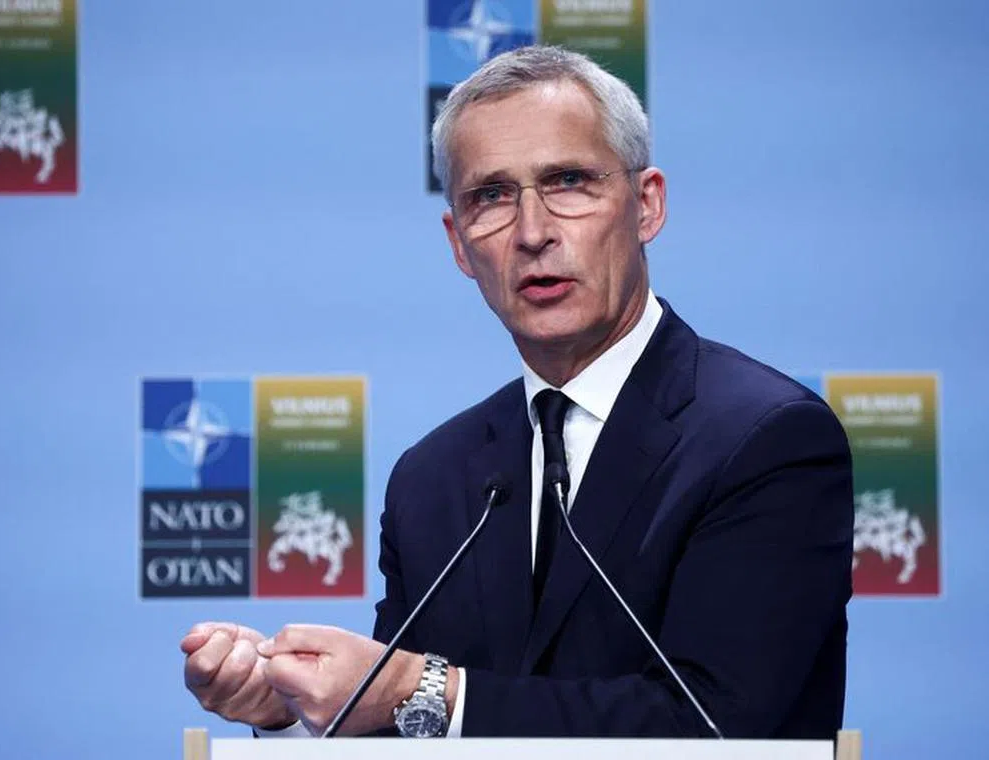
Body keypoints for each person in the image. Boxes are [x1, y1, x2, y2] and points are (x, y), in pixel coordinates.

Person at [181, 44, 854, 739]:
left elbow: (728, 724)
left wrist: (429, 689)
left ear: (646, 205)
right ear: (458, 244)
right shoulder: (432, 479)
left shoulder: (766, 437)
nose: (533, 233)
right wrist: (289, 711)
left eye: (568, 181)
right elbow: (400, 736)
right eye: (491, 197)